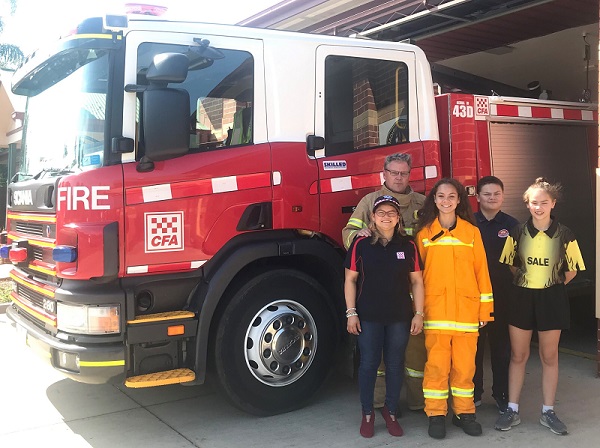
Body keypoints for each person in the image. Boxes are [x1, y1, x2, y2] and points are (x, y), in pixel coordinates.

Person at [495, 177, 585, 435]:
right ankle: (512, 409)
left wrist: (549, 284)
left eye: (544, 202)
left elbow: (571, 271)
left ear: (553, 204)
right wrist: (530, 282)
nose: (539, 207)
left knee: (549, 356)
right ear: (527, 204)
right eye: (534, 202)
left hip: (552, 298)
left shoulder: (565, 234)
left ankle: (548, 411)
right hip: (521, 297)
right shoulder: (516, 232)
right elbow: (512, 266)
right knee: (518, 355)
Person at [342, 152, 427, 412]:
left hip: (413, 289)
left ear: (410, 174)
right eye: (394, 172)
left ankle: (418, 402)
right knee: (377, 358)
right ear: (384, 174)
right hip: (379, 294)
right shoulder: (369, 201)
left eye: (403, 173)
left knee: (415, 353)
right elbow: (348, 233)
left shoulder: (423, 203)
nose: (398, 177)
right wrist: (361, 235)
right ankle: (380, 403)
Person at [415, 178, 494, 439]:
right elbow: (416, 277)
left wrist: (485, 310)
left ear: (459, 200)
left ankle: (464, 413)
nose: (446, 201)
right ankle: (436, 415)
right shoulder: (425, 234)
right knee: (436, 367)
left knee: (465, 368)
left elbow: (482, 272)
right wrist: (417, 310)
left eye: (451, 196)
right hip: (436, 313)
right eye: (441, 196)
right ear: (434, 200)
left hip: (467, 314)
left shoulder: (471, 233)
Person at [473, 176, 519, 413]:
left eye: (496, 194)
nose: (492, 198)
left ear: (503, 195)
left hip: (504, 296)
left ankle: (502, 394)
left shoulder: (513, 225)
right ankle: (473, 393)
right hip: (474, 297)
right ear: (477, 197)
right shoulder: (467, 223)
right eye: (487, 194)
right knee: (474, 348)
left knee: (502, 348)